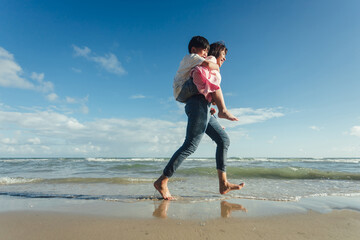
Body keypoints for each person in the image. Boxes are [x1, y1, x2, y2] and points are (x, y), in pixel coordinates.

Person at [154, 38, 245, 200]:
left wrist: (212, 110)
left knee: (223, 140)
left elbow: (207, 88)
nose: (224, 59)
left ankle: (223, 184)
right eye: (223, 55)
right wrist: (220, 109)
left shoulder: (203, 66)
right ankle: (162, 180)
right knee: (190, 145)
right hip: (197, 104)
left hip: (204, 108)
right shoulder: (206, 61)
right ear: (214, 54)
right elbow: (209, 82)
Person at [191, 41, 238, 121]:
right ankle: (223, 110)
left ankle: (221, 112)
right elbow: (211, 83)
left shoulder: (209, 62)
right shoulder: (212, 59)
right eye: (223, 54)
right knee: (215, 84)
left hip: (203, 105)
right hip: (199, 104)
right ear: (216, 52)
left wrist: (213, 99)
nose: (225, 58)